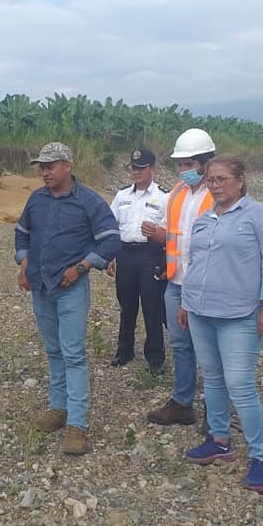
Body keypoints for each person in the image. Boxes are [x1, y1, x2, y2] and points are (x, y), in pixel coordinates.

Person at [179, 155, 263, 492]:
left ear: (240, 181)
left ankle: (261, 459)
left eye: (222, 179)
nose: (215, 185)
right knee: (212, 378)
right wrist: (185, 303)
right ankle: (219, 440)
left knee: (240, 385)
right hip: (200, 311)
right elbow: (194, 262)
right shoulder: (205, 219)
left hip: (239, 315)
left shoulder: (260, 215)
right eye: (211, 179)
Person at [15, 142, 121, 455]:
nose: (44, 172)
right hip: (41, 287)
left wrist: (82, 267)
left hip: (71, 289)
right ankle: (58, 408)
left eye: (50, 166)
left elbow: (111, 241)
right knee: (54, 351)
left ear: (67, 166)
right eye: (41, 167)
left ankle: (77, 424)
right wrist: (24, 261)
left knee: (73, 353)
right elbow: (21, 233)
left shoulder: (89, 201)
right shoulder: (36, 199)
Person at [143, 128, 216, 426]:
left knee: (210, 350)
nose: (183, 170)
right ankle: (182, 403)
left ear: (206, 163)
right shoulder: (176, 193)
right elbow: (172, 235)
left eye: (189, 164)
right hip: (176, 282)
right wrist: (157, 234)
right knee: (181, 345)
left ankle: (215, 411)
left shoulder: (219, 194)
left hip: (207, 286)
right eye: (180, 164)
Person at [107, 148, 169, 373]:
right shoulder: (122, 195)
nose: (137, 172)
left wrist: (166, 261)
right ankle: (125, 350)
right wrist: (111, 255)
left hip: (150, 254)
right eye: (134, 168)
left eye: (142, 168)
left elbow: (170, 231)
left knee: (152, 307)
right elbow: (111, 226)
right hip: (125, 254)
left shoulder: (164, 197)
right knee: (127, 305)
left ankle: (155, 356)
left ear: (152, 168)